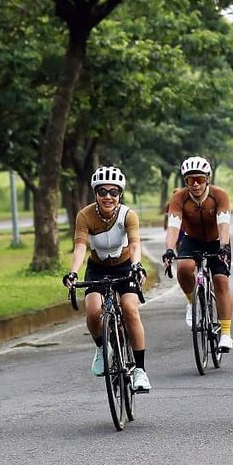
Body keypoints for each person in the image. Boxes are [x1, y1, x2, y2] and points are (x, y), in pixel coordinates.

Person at [63, 166, 150, 393]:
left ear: (120, 194)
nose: (108, 197)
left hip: (124, 267)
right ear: (95, 193)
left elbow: (134, 244)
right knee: (93, 311)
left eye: (114, 192)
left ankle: (140, 370)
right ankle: (102, 349)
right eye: (103, 192)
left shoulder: (128, 215)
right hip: (98, 269)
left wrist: (137, 265)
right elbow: (80, 247)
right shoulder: (85, 215)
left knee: (130, 309)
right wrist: (73, 272)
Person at [163, 156, 233, 352]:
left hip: (217, 241)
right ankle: (191, 301)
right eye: (190, 180)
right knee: (184, 268)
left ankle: (226, 333)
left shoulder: (219, 195)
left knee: (221, 281)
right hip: (192, 240)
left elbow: (224, 224)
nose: (195, 184)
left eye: (200, 179)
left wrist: (224, 246)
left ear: (208, 179)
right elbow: (173, 227)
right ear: (184, 182)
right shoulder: (179, 198)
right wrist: (169, 249)